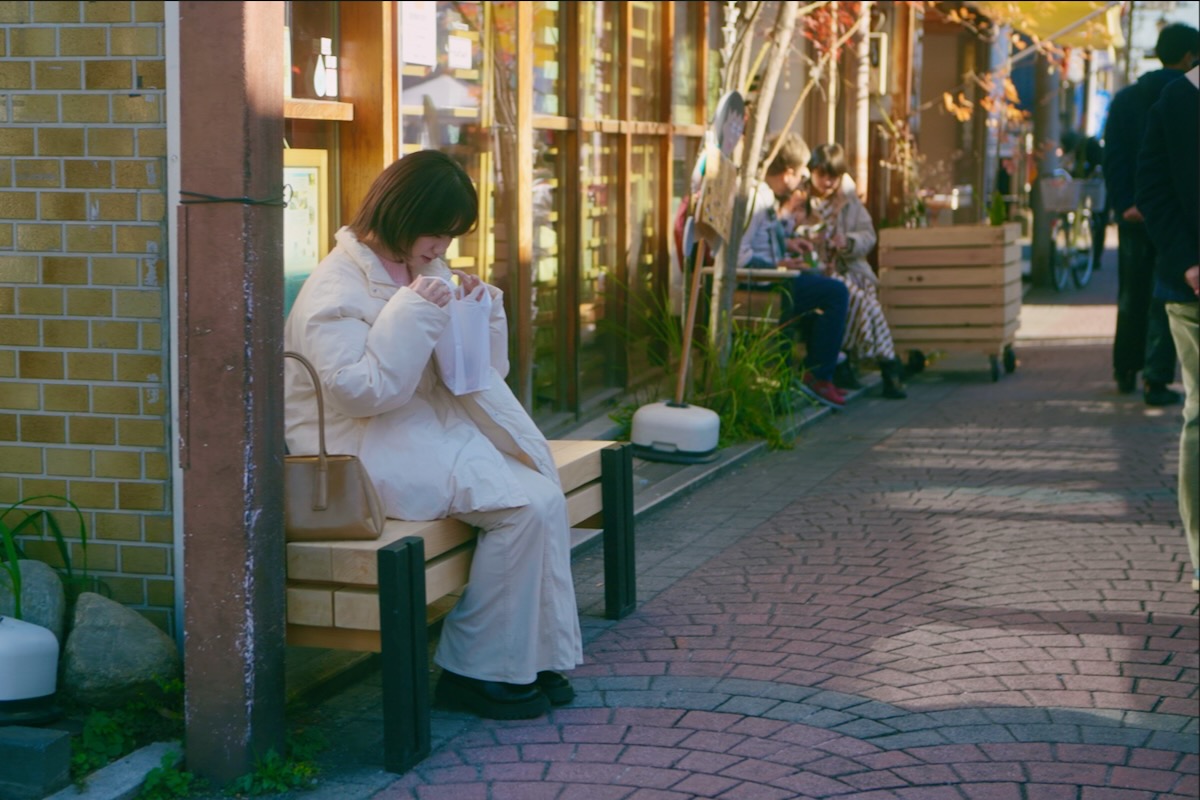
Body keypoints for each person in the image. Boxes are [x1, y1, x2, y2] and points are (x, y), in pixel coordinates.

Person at [283, 150, 584, 719]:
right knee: (521, 508)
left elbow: (480, 374)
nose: (443, 247)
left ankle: (525, 657)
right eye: (437, 232)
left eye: (450, 235)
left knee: (543, 499)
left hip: (419, 432)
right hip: (359, 449)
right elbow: (358, 393)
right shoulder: (334, 287)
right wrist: (415, 312)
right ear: (402, 214)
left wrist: (480, 312)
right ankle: (476, 670)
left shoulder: (420, 266)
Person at [1103, 22, 1198, 405]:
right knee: (1169, 295)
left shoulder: (1127, 99)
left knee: (1131, 292)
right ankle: (1156, 378)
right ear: (1189, 56)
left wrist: (1125, 202)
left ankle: (1125, 367)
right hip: (1180, 217)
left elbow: (1114, 156)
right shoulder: (1187, 97)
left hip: (1136, 215)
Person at [1136, 65, 1199, 592]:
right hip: (1192, 289)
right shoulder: (1176, 102)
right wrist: (1189, 263)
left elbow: (1151, 190)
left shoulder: (1175, 99)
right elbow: (1152, 189)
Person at [738, 132, 850, 409]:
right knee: (836, 293)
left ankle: (818, 369)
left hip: (774, 278)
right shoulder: (756, 199)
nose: (801, 180)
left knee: (824, 284)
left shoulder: (764, 195)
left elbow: (759, 241)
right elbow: (740, 255)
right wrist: (778, 266)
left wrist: (788, 245)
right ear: (788, 173)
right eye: (800, 174)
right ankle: (819, 375)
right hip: (765, 285)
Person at [803, 143, 907, 400]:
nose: (827, 182)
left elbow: (868, 236)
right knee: (859, 300)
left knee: (864, 299)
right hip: (818, 272)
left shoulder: (849, 201)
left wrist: (848, 242)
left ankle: (850, 362)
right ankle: (887, 365)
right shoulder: (802, 200)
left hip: (850, 268)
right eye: (822, 175)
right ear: (812, 172)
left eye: (833, 176)